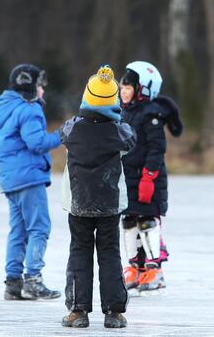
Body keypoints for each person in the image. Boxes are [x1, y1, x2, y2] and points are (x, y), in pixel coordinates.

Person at [60, 65, 136, 329]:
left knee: (79, 253)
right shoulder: (119, 132)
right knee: (110, 255)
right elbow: (131, 140)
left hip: (79, 203)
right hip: (109, 204)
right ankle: (114, 312)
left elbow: (63, 133)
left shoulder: (73, 129)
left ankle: (78, 310)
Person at [0, 64, 62, 301]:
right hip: (28, 177)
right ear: (30, 86)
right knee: (39, 227)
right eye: (40, 86)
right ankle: (33, 279)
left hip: (9, 179)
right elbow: (37, 142)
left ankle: (13, 283)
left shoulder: (4, 108)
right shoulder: (29, 110)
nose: (43, 91)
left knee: (18, 230)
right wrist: (63, 135)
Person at [119, 61, 183, 295]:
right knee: (128, 221)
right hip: (127, 178)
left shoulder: (151, 114)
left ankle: (154, 270)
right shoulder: (123, 111)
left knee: (147, 221)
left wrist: (149, 176)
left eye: (128, 87)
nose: (123, 91)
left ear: (143, 88)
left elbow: (157, 148)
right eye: (122, 87)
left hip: (148, 178)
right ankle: (136, 268)